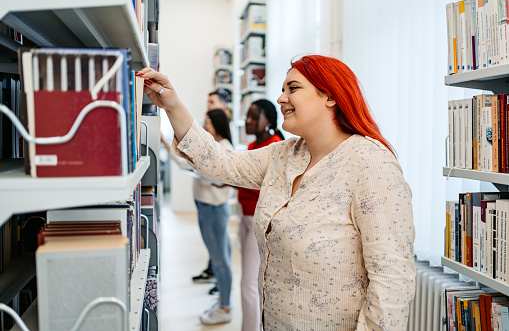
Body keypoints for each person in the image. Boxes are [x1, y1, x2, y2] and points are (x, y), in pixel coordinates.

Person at [138, 54, 416, 330]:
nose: (281, 98)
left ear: (330, 96)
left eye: (293, 88)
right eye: (283, 89)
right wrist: (171, 104)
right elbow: (219, 163)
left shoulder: (371, 163)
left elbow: (392, 280)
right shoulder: (285, 155)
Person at [161, 108, 234, 325]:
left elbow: (202, 171)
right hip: (207, 209)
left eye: (209, 121)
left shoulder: (224, 148)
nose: (205, 124)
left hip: (214, 210)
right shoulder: (215, 146)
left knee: (220, 260)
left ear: (219, 124)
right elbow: (191, 165)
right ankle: (222, 300)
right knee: (219, 257)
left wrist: (171, 146)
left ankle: (225, 306)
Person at [238, 99, 284, 331]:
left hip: (260, 223)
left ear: (268, 121)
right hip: (245, 217)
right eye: (247, 115)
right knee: (251, 282)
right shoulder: (253, 145)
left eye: (254, 116)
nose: (248, 120)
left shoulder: (275, 147)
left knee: (248, 285)